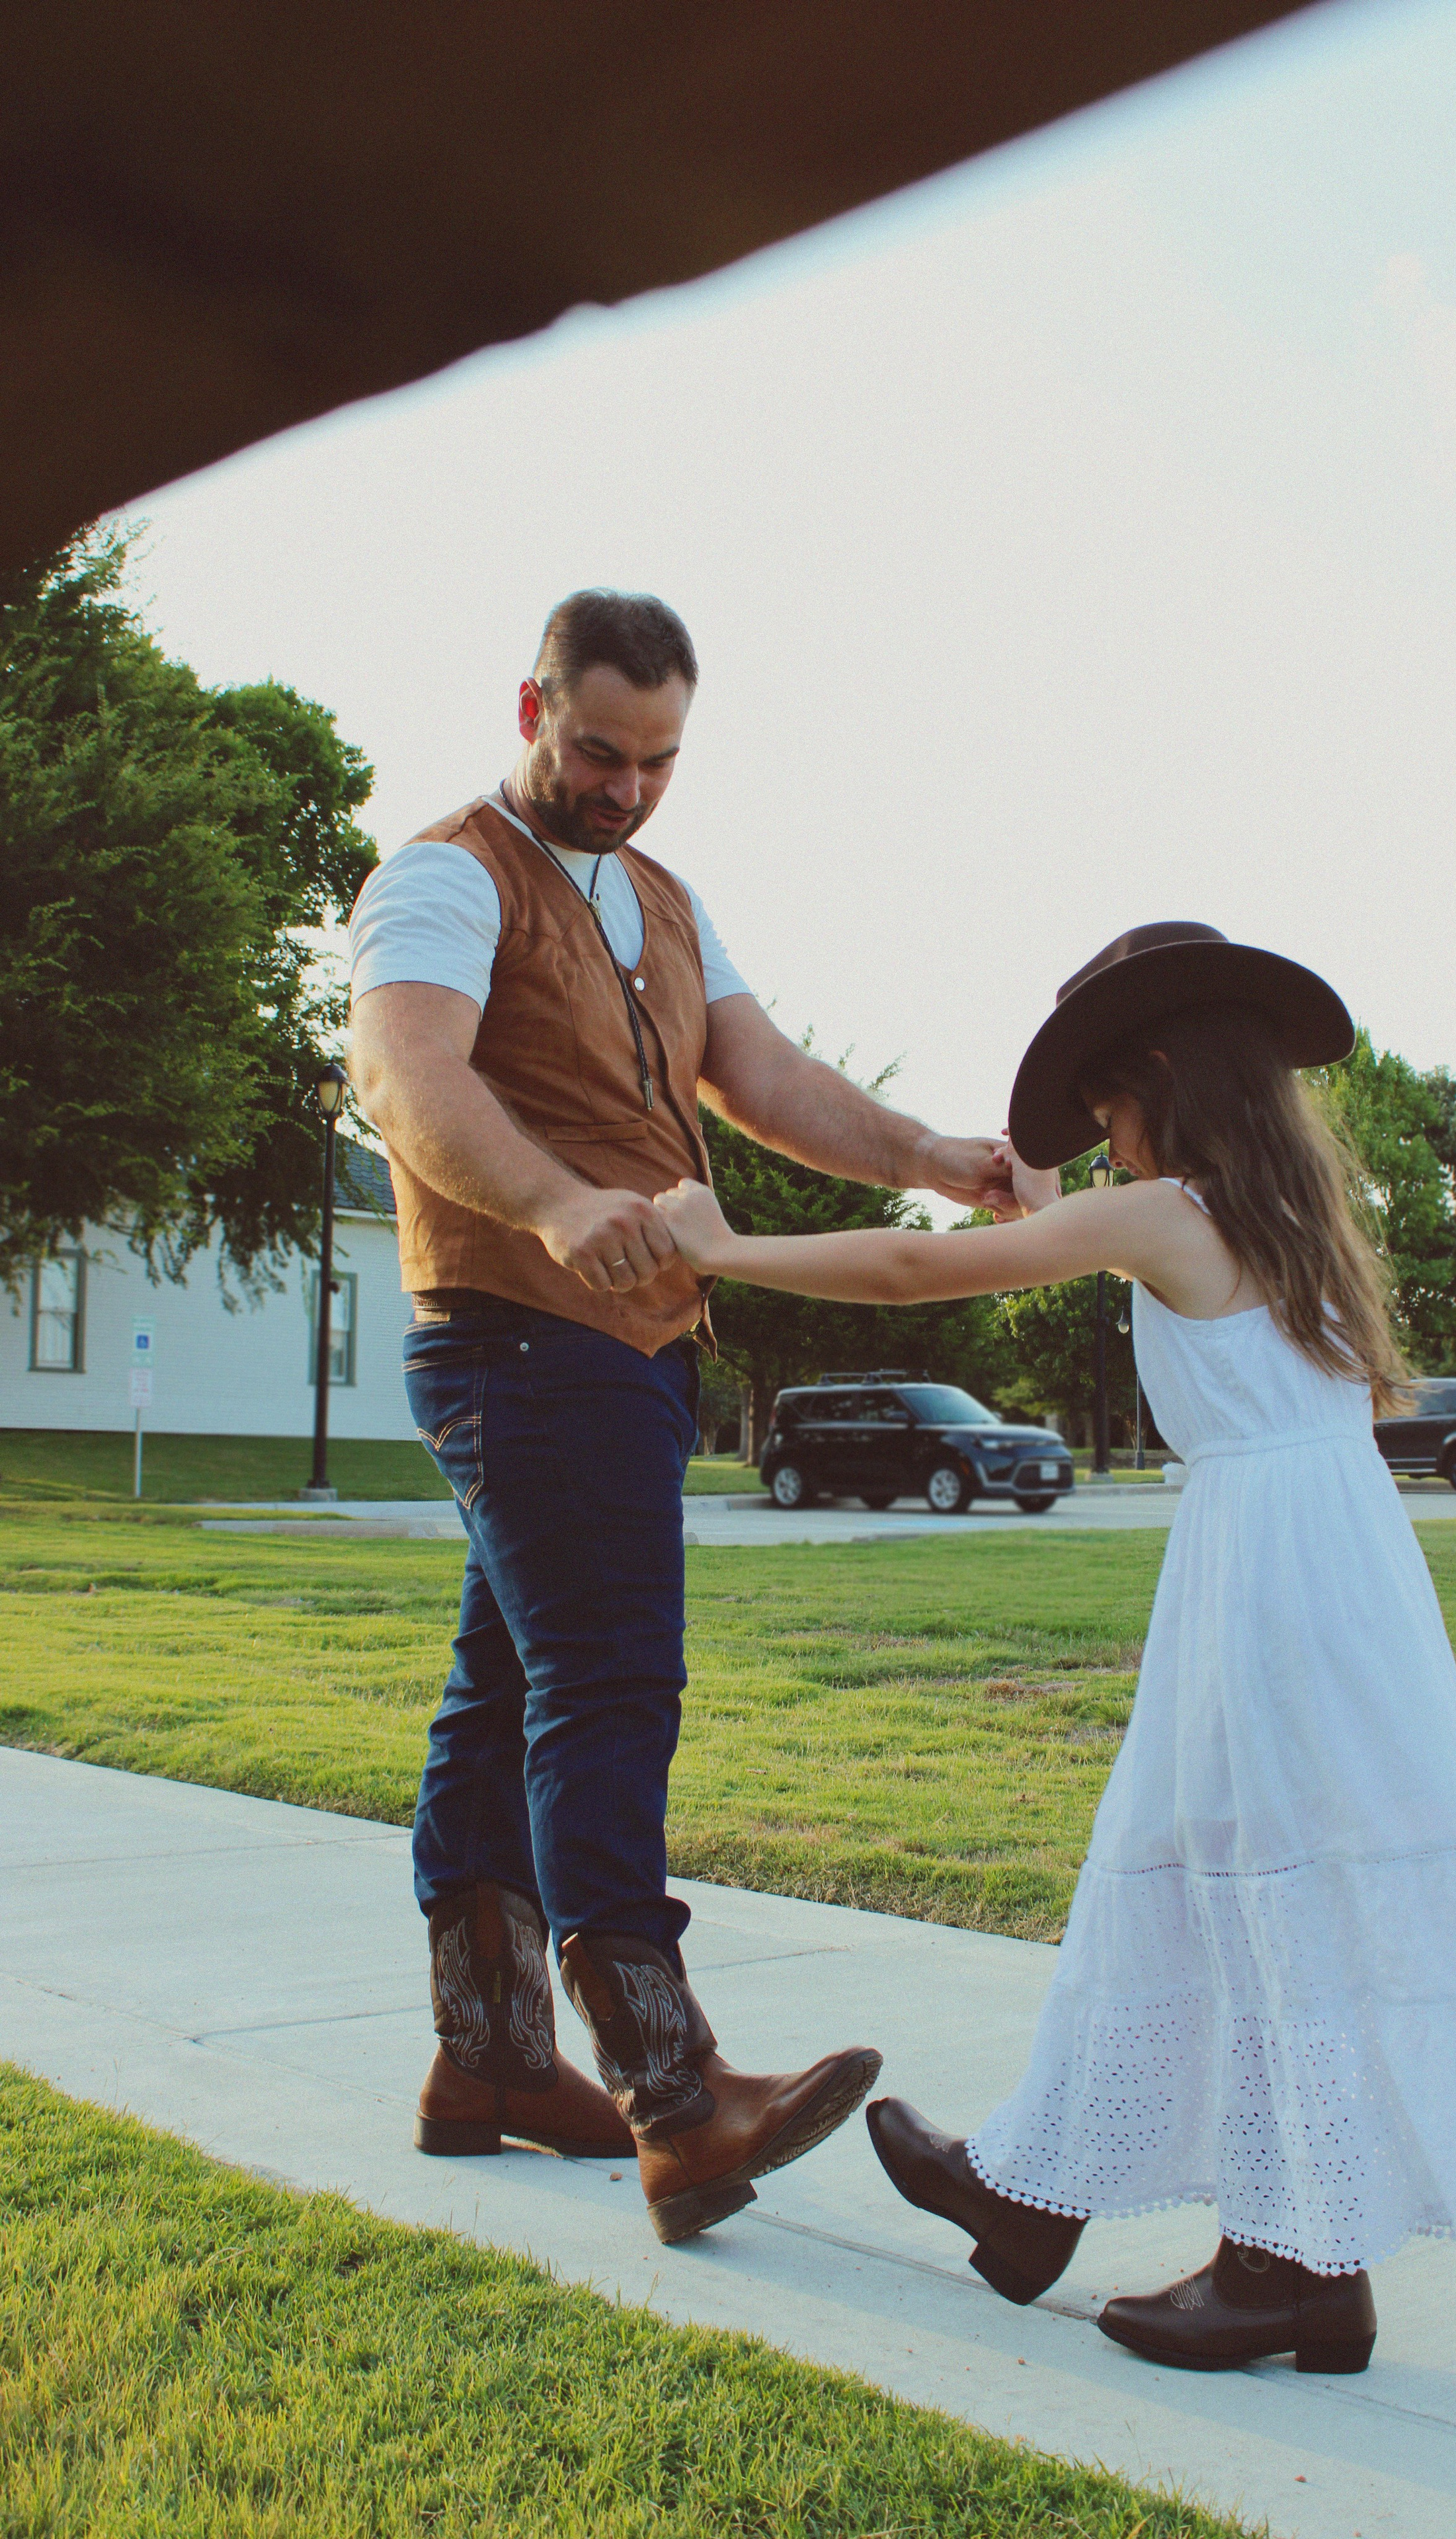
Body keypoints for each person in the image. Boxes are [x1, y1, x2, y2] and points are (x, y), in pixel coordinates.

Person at [653, 919, 1456, 2360]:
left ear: (1156, 1082)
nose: (1106, 1142)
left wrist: (722, 1245)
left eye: (1106, 1110)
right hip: (1327, 1574)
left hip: (1265, 1584)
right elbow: (1060, 1242)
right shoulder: (1280, 1222)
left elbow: (908, 1275)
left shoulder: (1172, 1218)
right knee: (1203, 1874)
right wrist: (1050, 1195)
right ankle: (1051, 2198)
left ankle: (1281, 2264)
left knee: (1253, 1887)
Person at [346, 589, 1015, 2246]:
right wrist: (558, 1200)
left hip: (628, 1348)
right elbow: (402, 1073)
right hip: (522, 1331)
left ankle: (490, 2063)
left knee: (499, 1689)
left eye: (657, 761)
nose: (626, 787)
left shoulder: (657, 892)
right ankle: (669, 2090)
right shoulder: (444, 873)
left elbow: (764, 1075)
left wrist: (933, 1158)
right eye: (597, 751)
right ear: (529, 707)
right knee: (608, 1675)